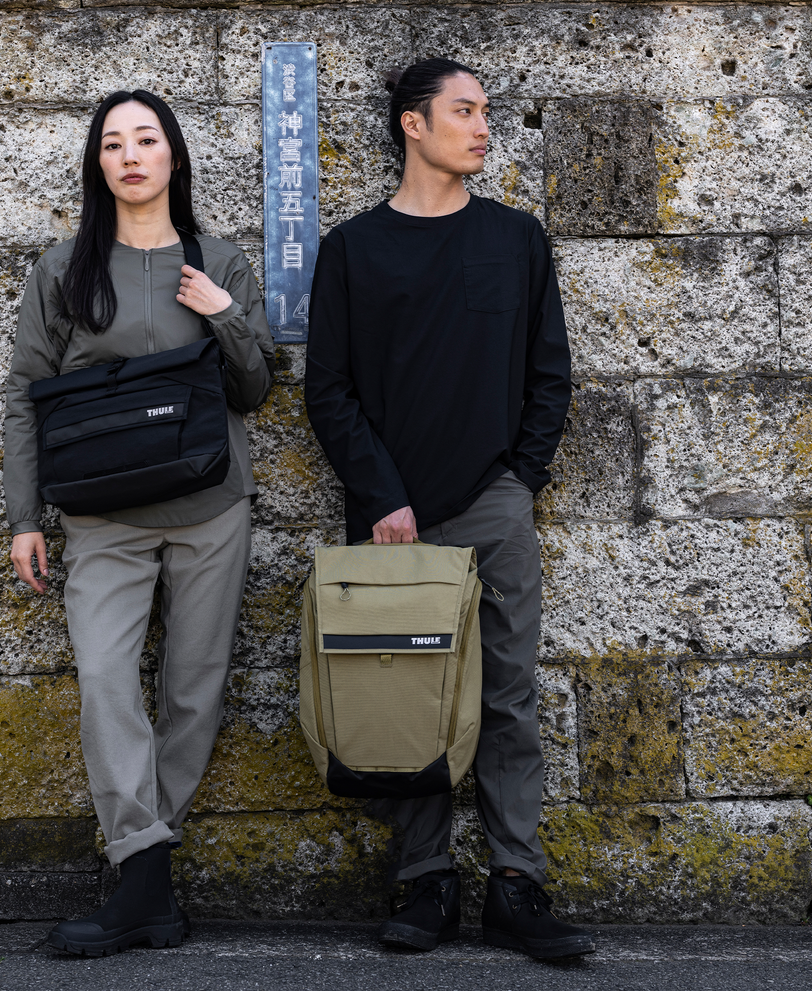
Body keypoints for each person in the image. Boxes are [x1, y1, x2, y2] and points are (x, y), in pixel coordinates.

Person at [304, 59, 593, 958]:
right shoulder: (353, 248)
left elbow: (550, 376)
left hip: (493, 505)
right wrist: (382, 495)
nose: (481, 128)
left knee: (507, 697)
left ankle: (516, 882)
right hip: (391, 517)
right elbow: (328, 389)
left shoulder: (515, 239)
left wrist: (518, 483)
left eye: (484, 112)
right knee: (404, 701)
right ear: (411, 126)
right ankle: (424, 881)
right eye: (462, 112)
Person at [4, 89, 275, 956]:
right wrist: (24, 515)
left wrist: (222, 315)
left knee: (194, 687)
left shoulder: (221, 261)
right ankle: (145, 872)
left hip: (209, 508)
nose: (130, 155)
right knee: (106, 680)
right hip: (103, 517)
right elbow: (24, 395)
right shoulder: (64, 268)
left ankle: (142, 886)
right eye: (113, 143)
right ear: (98, 164)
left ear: (174, 156)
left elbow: (257, 389)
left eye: (146, 139)